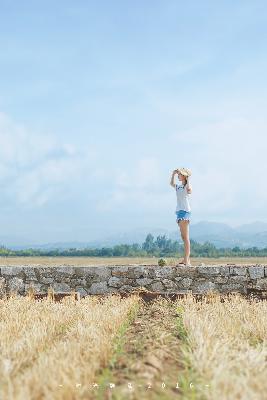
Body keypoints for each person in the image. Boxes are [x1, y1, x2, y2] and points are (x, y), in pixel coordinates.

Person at [170, 167, 192, 266]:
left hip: (185, 212)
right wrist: (173, 174)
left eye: (179, 174)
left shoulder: (186, 186)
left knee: (186, 237)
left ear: (183, 176)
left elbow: (189, 190)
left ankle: (186, 260)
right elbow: (171, 184)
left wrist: (188, 180)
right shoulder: (178, 187)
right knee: (183, 237)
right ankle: (187, 260)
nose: (178, 175)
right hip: (179, 212)